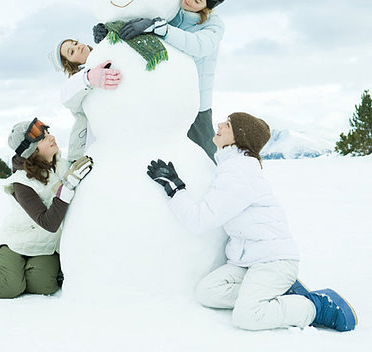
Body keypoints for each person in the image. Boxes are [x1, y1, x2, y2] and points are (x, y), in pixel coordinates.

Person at [146, 112, 357, 332]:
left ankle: (317, 307)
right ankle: (275, 293)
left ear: (239, 136)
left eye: (227, 124)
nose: (218, 125)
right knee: (207, 292)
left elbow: (201, 220)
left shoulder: (239, 173)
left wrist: (175, 188)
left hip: (273, 260)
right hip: (248, 261)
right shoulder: (233, 166)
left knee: (248, 316)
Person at [94, 0, 232, 163]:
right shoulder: (172, 9)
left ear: (206, 8)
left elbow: (200, 46)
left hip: (196, 101)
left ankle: (216, 186)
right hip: (164, 94)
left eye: (198, 0)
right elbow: (138, 16)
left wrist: (162, 29)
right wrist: (110, 31)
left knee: (204, 154)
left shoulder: (213, 25)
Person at [0, 118, 93, 299]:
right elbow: (48, 222)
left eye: (48, 133)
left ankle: (21, 273)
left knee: (44, 285)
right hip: (16, 242)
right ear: (32, 151)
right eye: (44, 139)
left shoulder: (60, 164)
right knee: (7, 287)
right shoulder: (21, 183)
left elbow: (79, 135)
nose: (51, 138)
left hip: (45, 245)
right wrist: (66, 188)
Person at [49, 39, 122, 162]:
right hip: (91, 153)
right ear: (71, 64)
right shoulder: (77, 82)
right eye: (71, 52)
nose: (77, 47)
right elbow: (65, 95)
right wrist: (88, 78)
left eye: (75, 43)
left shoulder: (105, 53)